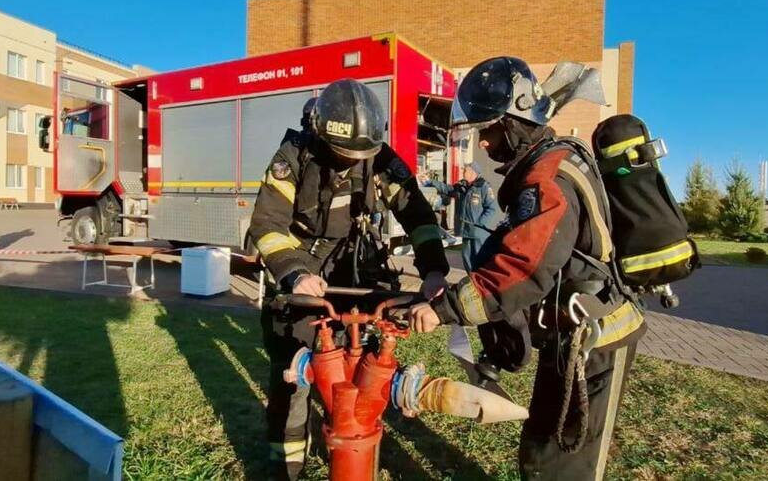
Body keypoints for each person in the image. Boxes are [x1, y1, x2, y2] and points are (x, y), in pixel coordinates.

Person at [408, 57, 645, 480]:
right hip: (570, 337)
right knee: (541, 449)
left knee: (564, 463)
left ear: (516, 120)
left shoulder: (548, 179)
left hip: (594, 343)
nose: (483, 143)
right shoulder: (545, 165)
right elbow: (509, 250)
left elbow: (522, 266)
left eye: (489, 130)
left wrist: (445, 311)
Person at [249, 78, 449, 480]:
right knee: (293, 379)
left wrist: (434, 270)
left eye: (360, 155)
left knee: (359, 362)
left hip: (354, 268)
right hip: (303, 272)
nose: (352, 161)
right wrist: (294, 274)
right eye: (342, 153)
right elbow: (267, 225)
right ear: (321, 136)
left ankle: (354, 433)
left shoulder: (379, 159)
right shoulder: (293, 156)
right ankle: (287, 465)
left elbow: (418, 215)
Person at [421, 162, 501, 271]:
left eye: (465, 170)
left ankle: (481, 284)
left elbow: (492, 208)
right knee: (467, 259)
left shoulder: (483, 187)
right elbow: (447, 189)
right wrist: (430, 182)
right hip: (465, 231)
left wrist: (479, 224)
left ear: (473, 173)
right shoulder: (461, 186)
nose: (463, 172)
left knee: (481, 260)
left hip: (478, 233)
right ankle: (472, 282)